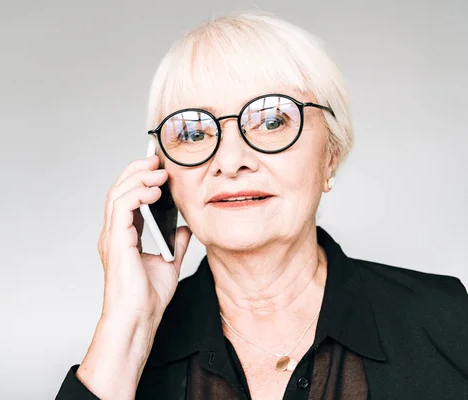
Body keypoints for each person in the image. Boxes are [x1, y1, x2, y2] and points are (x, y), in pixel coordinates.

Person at [55, 10, 468, 400]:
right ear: (160, 168)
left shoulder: (448, 320)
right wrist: (128, 327)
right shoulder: (130, 353)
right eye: (193, 132)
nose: (231, 162)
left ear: (331, 155)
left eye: (272, 121)